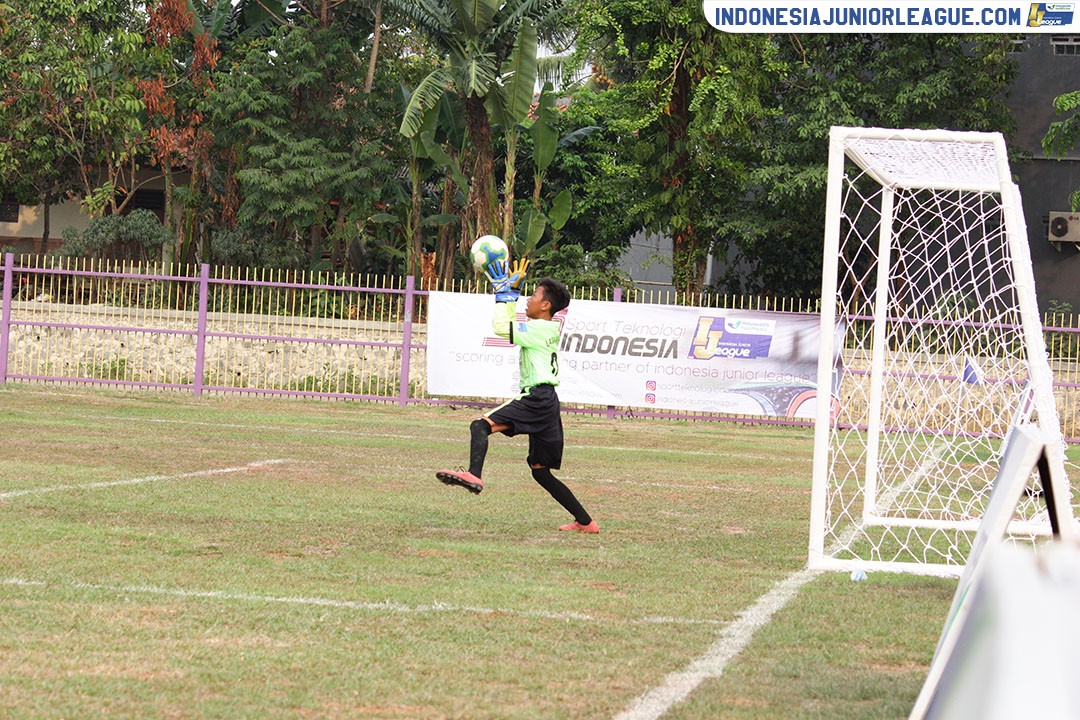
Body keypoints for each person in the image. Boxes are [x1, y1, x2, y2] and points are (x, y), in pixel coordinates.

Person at [435, 257, 599, 534]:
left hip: (537, 398)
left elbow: (501, 328)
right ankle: (586, 522)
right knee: (540, 470)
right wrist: (508, 297)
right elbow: (512, 324)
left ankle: (474, 475)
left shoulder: (537, 328)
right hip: (548, 403)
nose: (528, 299)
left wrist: (503, 296)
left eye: (533, 295)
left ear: (546, 305)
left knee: (480, 425)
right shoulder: (545, 327)